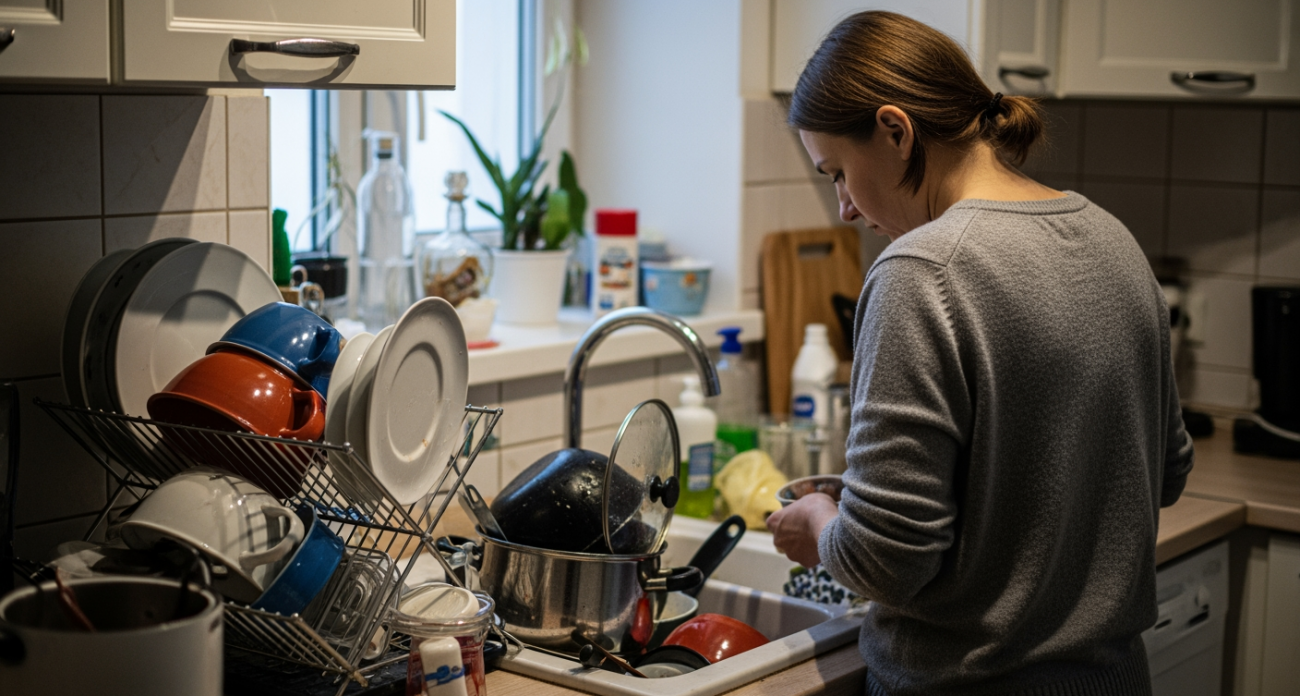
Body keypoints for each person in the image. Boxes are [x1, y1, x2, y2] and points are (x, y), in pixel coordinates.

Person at [765, 11, 1194, 696]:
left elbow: (884, 563)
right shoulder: (1113, 238)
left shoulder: (920, 271)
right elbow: (1164, 471)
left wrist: (821, 522)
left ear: (896, 131)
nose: (843, 207)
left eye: (839, 172)